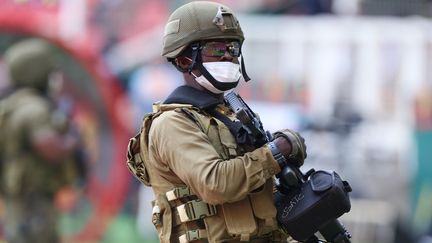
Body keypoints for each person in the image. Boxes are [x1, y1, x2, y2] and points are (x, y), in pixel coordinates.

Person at [127, 2, 307, 242]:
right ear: (183, 60)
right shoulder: (172, 123)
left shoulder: (233, 113)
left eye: (233, 49)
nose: (228, 57)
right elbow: (215, 184)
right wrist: (276, 152)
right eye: (216, 50)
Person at [0, 38, 82, 243]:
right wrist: (72, 139)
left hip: (19, 195)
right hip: (34, 198)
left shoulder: (12, 105)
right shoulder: (34, 109)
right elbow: (51, 149)